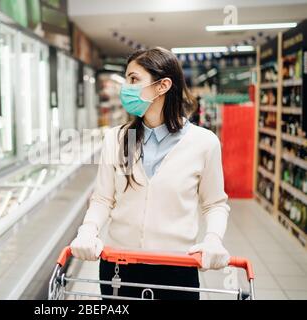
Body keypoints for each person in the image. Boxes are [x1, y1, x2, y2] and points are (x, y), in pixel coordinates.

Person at [70, 47, 230, 300]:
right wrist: (88, 230)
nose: (126, 87)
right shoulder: (117, 138)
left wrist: (213, 239)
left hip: (177, 269)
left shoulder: (204, 143)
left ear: (162, 86)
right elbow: (102, 199)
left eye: (133, 79)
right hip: (118, 267)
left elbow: (214, 204)